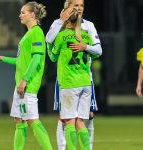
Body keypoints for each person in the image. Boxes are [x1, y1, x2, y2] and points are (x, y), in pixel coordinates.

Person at [0, 2, 52, 150]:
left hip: (28, 85)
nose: (20, 15)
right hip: (21, 85)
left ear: (32, 15)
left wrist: (25, 80)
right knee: (19, 120)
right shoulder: (28, 34)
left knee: (32, 120)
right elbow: (21, 61)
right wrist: (1, 58)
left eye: (23, 12)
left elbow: (37, 59)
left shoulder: (36, 32)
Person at [46, 0, 102, 149]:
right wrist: (85, 46)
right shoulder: (81, 33)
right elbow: (96, 53)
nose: (79, 8)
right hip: (84, 80)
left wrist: (85, 47)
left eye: (81, 5)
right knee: (79, 120)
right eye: (75, 5)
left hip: (69, 80)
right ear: (67, 7)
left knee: (69, 119)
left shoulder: (85, 26)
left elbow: (50, 49)